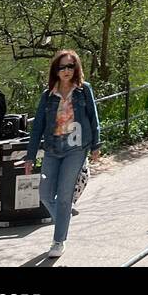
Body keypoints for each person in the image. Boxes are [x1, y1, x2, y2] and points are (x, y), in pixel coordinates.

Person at [24, 49, 100, 259]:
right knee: (46, 194)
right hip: (52, 149)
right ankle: (64, 219)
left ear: (76, 69)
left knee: (65, 195)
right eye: (62, 67)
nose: (66, 71)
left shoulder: (84, 90)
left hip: (76, 149)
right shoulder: (48, 96)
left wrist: (96, 145)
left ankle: (59, 241)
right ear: (55, 70)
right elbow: (37, 126)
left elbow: (93, 118)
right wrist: (30, 156)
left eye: (70, 66)